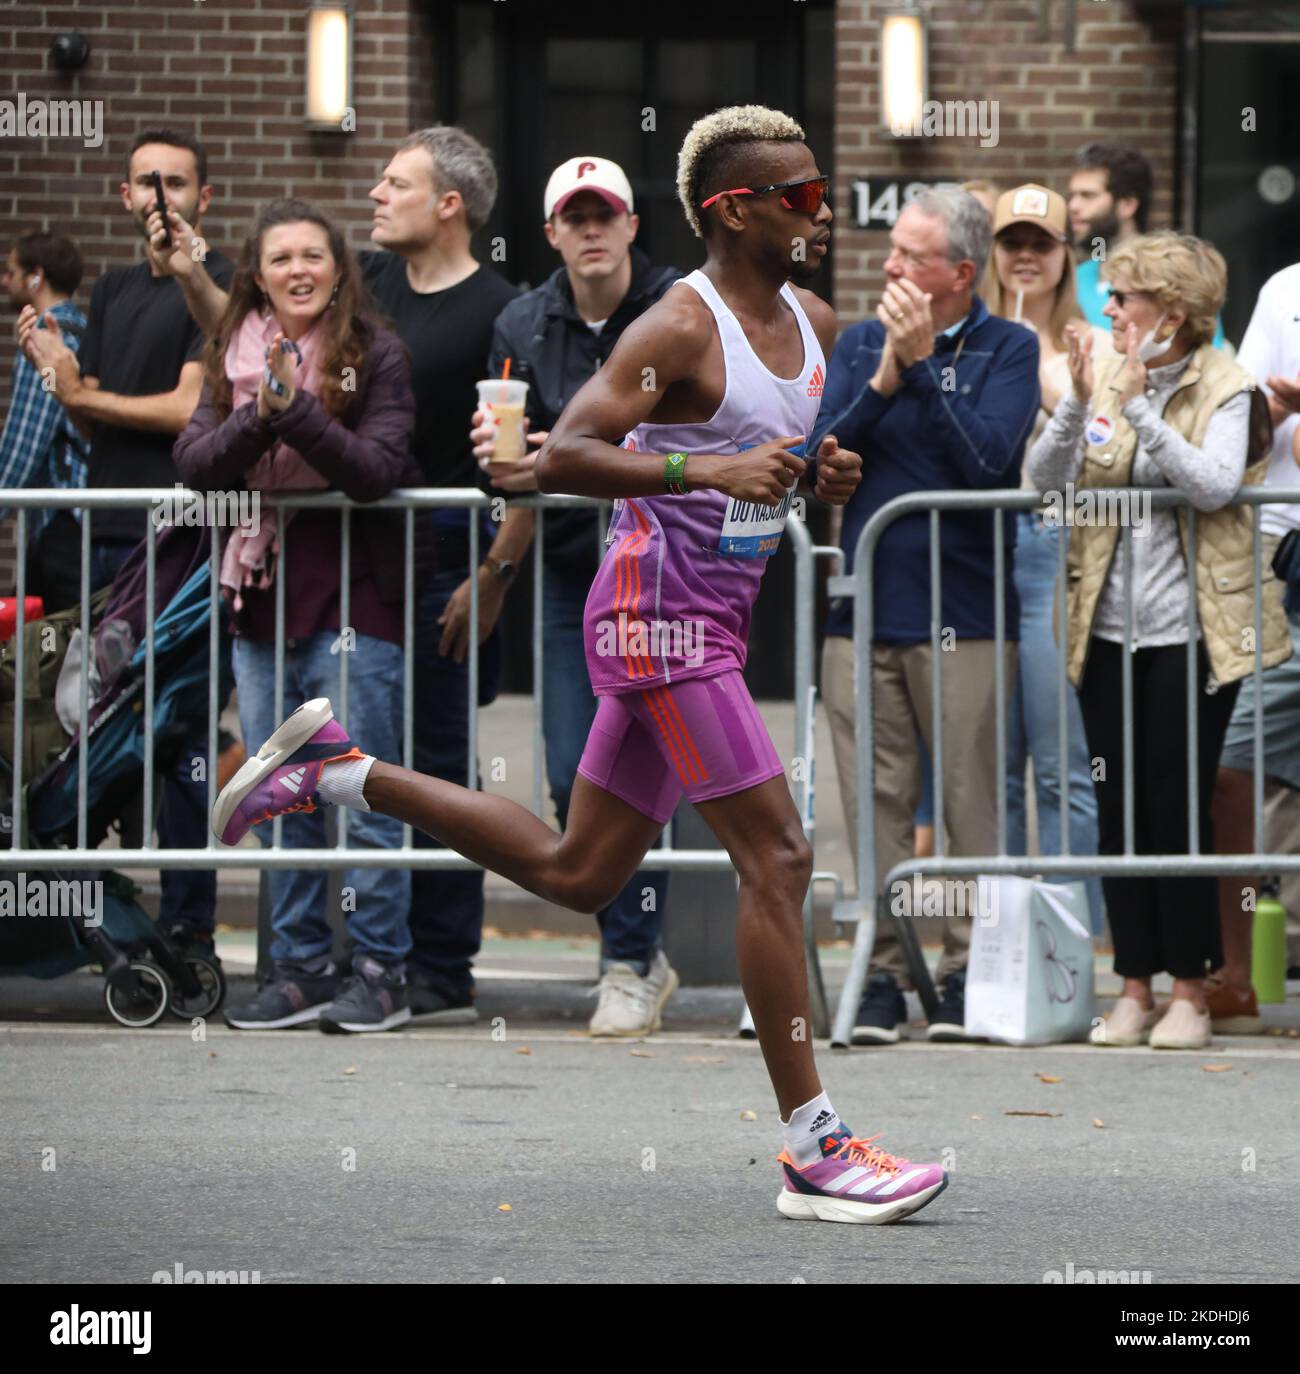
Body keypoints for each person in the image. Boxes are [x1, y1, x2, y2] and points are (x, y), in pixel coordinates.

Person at [214, 104, 950, 1226]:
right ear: (732, 210)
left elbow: (761, 460)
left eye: (821, 189)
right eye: (798, 196)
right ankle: (814, 1148)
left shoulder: (808, 314)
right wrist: (705, 479)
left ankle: (337, 768)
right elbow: (563, 453)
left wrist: (812, 476)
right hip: (658, 619)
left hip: (711, 614)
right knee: (782, 858)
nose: (822, 209)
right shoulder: (674, 327)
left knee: (579, 871)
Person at [1026, 231, 1289, 1051]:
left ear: (1171, 314)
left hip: (1194, 634)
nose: (1108, 308)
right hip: (1106, 628)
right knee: (1120, 809)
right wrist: (1077, 400)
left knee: (1176, 809)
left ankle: (1191, 989)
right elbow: (1043, 482)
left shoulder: (1230, 385)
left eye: (1124, 298)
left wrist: (1138, 404)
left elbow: (1213, 486)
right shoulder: (1106, 368)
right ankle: (1133, 983)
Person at [177, 199, 418, 1033]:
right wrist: (260, 411)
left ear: (339, 269)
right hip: (261, 597)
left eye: (313, 256)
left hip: (356, 594)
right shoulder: (229, 350)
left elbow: (378, 469)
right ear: (257, 274)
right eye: (280, 259)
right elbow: (197, 464)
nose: (298, 271)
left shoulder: (375, 354)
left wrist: (299, 411)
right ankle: (298, 966)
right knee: (280, 790)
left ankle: (383, 969)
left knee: (359, 783)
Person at [815, 186, 1040, 1046]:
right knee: (875, 801)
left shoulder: (1008, 346)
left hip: (969, 614)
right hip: (864, 610)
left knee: (972, 802)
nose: (892, 265)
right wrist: (883, 376)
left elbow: (988, 464)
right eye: (893, 249)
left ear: (959, 273)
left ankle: (963, 970)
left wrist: (926, 373)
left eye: (911, 255)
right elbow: (820, 450)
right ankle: (882, 970)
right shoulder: (860, 341)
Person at [469, 156, 683, 1036]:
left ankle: (628, 963)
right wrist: (496, 457)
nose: (592, 231)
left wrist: (573, 452)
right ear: (553, 232)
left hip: (673, 576)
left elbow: (691, 424)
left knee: (655, 773)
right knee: (573, 774)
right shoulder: (523, 317)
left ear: (634, 226)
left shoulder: (679, 307)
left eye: (607, 216)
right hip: (571, 576)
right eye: (574, 217)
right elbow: (504, 470)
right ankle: (637, 951)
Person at [18, 127, 235, 967]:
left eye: (176, 182)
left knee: (179, 731)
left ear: (202, 198)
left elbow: (188, 409)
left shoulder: (216, 286)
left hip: (180, 546)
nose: (159, 197)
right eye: (145, 181)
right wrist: (62, 374)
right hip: (105, 540)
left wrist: (83, 390)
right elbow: (91, 412)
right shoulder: (109, 291)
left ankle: (191, 927)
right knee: (90, 726)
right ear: (122, 194)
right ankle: (99, 918)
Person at [362, 127, 525, 1025]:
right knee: (365, 753)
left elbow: (512, 459)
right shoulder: (370, 286)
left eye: (397, 184)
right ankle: (370, 951)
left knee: (438, 761)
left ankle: (441, 964)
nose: (378, 195)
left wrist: (493, 573)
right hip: (361, 564)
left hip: (447, 564)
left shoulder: (499, 311)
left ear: (449, 205)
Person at [983, 184, 1106, 933]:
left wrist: (1070, 386)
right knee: (990, 772)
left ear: (1066, 256)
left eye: (1042, 244)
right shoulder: (964, 338)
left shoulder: (1092, 341)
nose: (1026, 257)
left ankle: (1071, 941)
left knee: (1063, 765)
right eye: (1012, 243)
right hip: (970, 559)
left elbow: (1098, 454)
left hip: (1052, 558)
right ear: (992, 254)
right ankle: (994, 950)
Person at [1212, 258, 1300, 1030]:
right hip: (1277, 553)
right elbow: (1246, 418)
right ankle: (1236, 974)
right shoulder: (1285, 288)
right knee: (1234, 769)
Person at [1, 232, 87, 596]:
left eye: (10, 272)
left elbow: (25, 439)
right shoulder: (83, 330)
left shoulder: (43, 338)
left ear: (36, 276)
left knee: (49, 636)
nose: (5, 282)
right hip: (79, 517)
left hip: (62, 520)